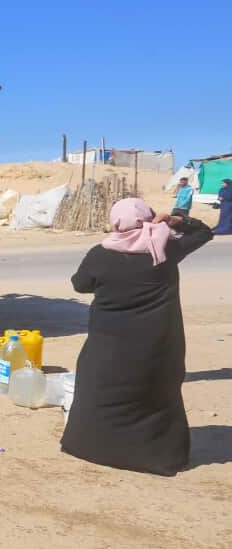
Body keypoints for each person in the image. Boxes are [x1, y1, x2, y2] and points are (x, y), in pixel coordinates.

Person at [61, 200, 213, 476]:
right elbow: (204, 232)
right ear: (148, 219)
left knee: (100, 392)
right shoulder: (164, 248)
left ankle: (89, 447)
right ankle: (154, 457)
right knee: (154, 395)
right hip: (156, 347)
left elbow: (80, 284)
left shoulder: (101, 253)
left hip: (107, 346)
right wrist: (176, 220)